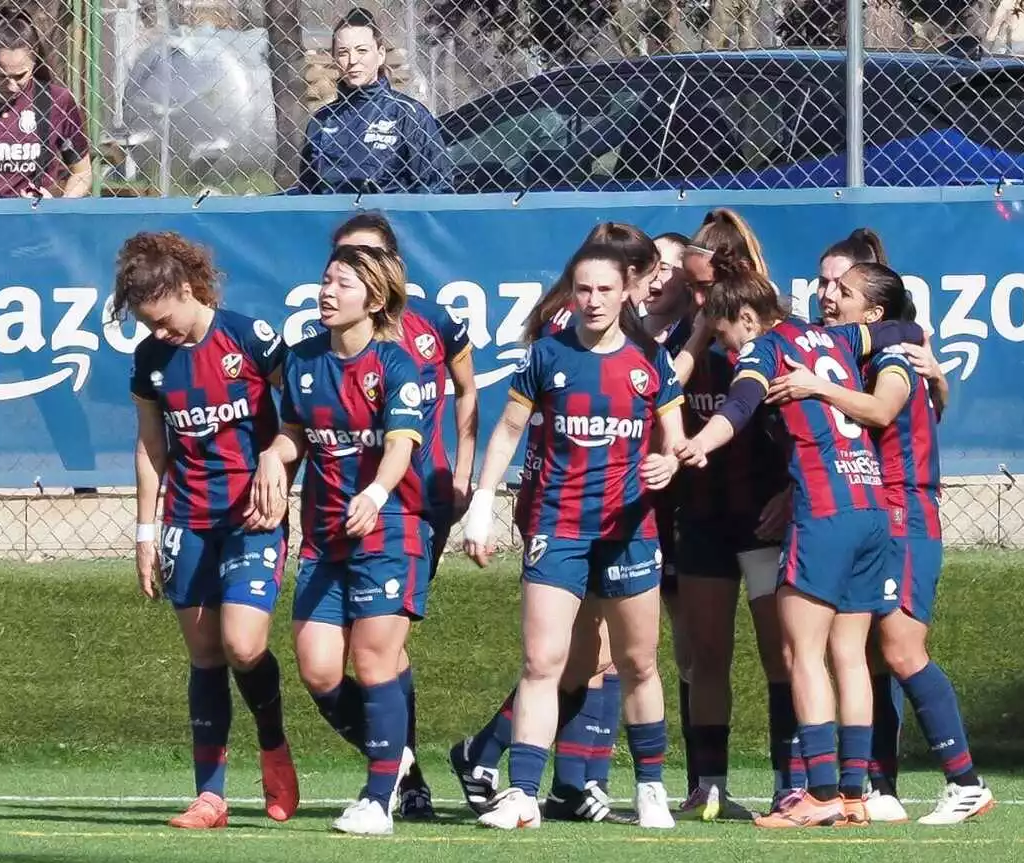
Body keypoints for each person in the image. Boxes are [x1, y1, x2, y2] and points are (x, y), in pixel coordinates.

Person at [676, 255, 925, 828]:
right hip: (870, 504)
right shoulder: (836, 337)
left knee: (802, 654)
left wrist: (700, 444)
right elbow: (902, 330)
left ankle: (819, 793)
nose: (728, 349)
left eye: (725, 335)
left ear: (746, 318)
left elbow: (740, 405)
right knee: (849, 656)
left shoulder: (764, 350)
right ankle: (855, 793)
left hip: (824, 511)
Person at [461, 241, 685, 830]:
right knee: (542, 660)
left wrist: (668, 463)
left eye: (605, 289)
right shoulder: (547, 354)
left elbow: (675, 440)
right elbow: (508, 431)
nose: (593, 300)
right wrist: (481, 502)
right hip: (557, 527)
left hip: (629, 530)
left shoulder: (650, 360)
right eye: (583, 289)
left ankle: (651, 788)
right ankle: (522, 793)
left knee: (637, 662)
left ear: (626, 290)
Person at [768, 262, 995, 825]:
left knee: (901, 651)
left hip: (904, 513)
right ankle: (874, 785)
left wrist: (816, 385)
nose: (827, 296)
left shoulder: (890, 357)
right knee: (866, 653)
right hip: (877, 510)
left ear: (873, 313)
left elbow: (883, 408)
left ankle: (965, 782)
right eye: (825, 285)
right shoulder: (862, 356)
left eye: (841, 291)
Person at [118, 232, 298, 829]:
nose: (159, 332)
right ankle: (210, 797)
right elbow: (151, 446)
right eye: (148, 324)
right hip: (187, 520)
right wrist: (145, 532)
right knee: (204, 655)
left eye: (163, 319)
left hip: (253, 518)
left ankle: (273, 745)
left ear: (188, 289)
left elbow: (299, 415)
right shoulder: (151, 360)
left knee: (243, 645)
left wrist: (274, 458)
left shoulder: (250, 338)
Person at [251, 243, 428, 837]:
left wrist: (375, 493)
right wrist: (274, 455)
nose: (327, 292)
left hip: (390, 531)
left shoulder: (395, 365)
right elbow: (295, 433)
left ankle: (378, 801)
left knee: (375, 661)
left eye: (343, 283)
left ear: (374, 299)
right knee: (319, 671)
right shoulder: (303, 360)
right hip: (325, 538)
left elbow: (400, 445)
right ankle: (395, 754)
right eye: (325, 280)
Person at [331, 212, 478, 819]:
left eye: (367, 255)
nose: (352, 267)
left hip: (418, 503)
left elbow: (468, 389)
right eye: (343, 257)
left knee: (385, 644)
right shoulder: (329, 339)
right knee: (351, 655)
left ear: (391, 265)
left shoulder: (433, 323)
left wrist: (463, 469)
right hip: (345, 510)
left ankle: (399, 781)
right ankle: (401, 763)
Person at [670, 211, 792, 822]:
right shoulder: (688, 341)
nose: (694, 299)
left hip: (763, 516)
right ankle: (708, 783)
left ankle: (790, 782)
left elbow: (816, 433)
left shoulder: (776, 340)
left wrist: (792, 492)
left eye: (702, 287)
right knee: (705, 654)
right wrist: (695, 337)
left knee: (782, 654)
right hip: (702, 514)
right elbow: (660, 392)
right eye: (689, 288)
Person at [293, 8, 449, 194]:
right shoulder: (321, 120)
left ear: (380, 54)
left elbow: (437, 186)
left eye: (362, 50)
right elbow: (307, 192)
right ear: (334, 59)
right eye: (343, 52)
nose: (352, 60)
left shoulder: (408, 114)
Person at [0, 5, 91, 198]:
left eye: (20, 76)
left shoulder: (56, 100)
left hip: (33, 212)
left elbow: (82, 172)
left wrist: (59, 206)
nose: (12, 86)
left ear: (34, 61)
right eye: (1, 76)